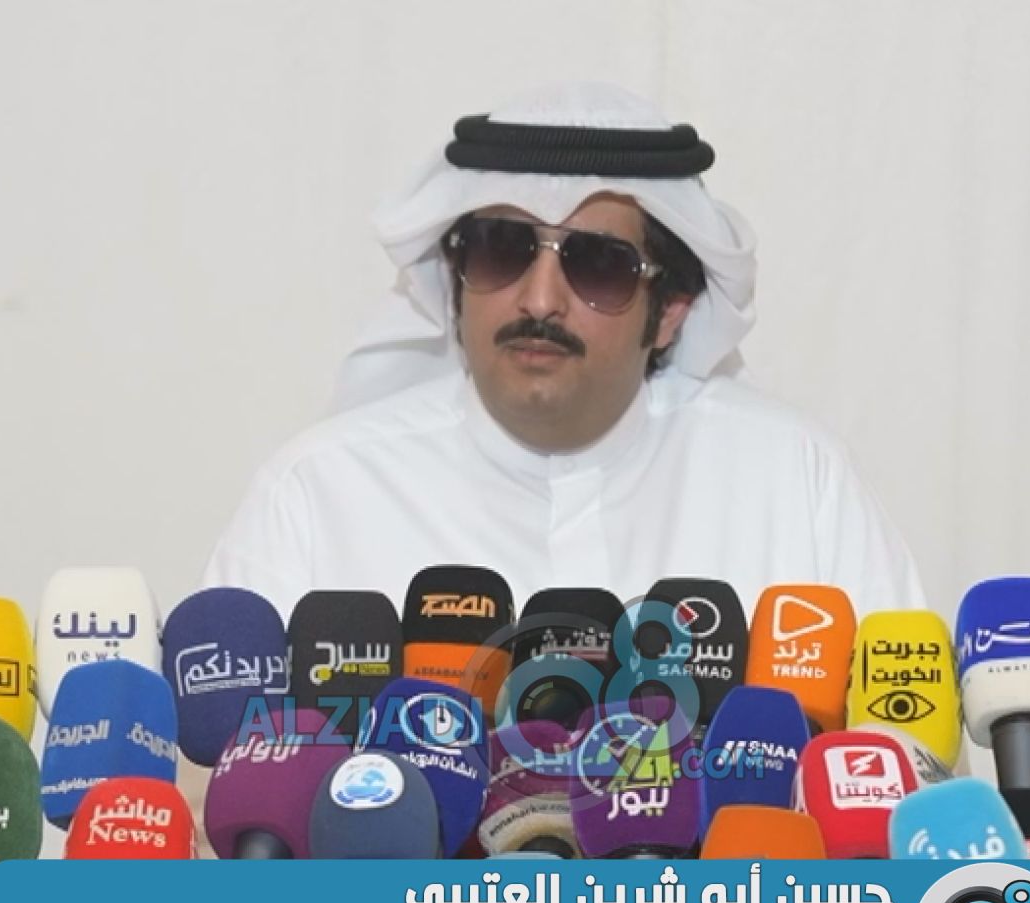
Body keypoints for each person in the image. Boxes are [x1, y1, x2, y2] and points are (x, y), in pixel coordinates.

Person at [201, 82, 924, 621]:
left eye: (598, 265)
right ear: (455, 275)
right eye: (502, 249)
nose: (540, 300)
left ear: (671, 312)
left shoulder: (797, 488)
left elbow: (902, 754)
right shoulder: (316, 497)